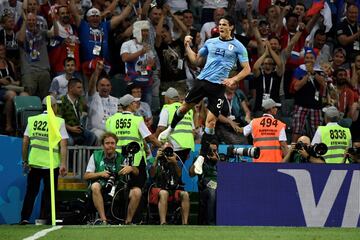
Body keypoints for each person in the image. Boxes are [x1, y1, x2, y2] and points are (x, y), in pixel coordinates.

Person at [158, 15, 251, 164]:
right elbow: (195, 60)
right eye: (220, 24)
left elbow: (247, 70)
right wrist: (187, 46)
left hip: (218, 87)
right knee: (183, 109)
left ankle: (201, 157)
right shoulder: (210, 42)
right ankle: (171, 128)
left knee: (211, 123)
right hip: (202, 82)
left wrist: (233, 79)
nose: (221, 27)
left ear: (231, 27)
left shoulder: (239, 46)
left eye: (224, 24)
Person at [20, 95, 68, 225]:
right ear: (53, 106)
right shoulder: (59, 122)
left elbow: (25, 142)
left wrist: (25, 160)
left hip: (34, 162)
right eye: (56, 105)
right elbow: (63, 145)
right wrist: (63, 163)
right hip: (51, 164)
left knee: (31, 192)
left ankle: (24, 218)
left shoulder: (32, 120)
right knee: (49, 193)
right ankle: (48, 218)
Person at [84, 132, 140, 224]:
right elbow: (86, 175)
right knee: (95, 186)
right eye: (107, 143)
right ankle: (103, 220)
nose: (110, 146)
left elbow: (137, 172)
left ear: (116, 144)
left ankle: (128, 221)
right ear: (102, 145)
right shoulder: (96, 155)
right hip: (101, 187)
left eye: (112, 143)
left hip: (118, 188)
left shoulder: (122, 157)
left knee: (137, 192)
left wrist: (131, 168)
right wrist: (100, 174)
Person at [149, 143, 190, 225]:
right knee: (164, 193)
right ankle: (163, 222)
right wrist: (156, 158)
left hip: (173, 188)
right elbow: (152, 174)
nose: (167, 153)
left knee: (185, 194)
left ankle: (185, 223)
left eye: (169, 150)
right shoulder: (154, 160)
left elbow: (179, 176)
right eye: (165, 150)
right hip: (158, 188)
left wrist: (175, 163)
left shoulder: (176, 161)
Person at [242, 98, 288, 162]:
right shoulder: (279, 124)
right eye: (275, 107)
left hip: (258, 163)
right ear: (270, 109)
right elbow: (283, 146)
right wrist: (289, 162)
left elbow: (243, 132)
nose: (276, 109)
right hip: (275, 163)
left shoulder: (254, 122)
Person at [155, 87, 195, 162]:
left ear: (167, 98)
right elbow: (193, 130)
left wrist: (154, 141)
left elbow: (161, 128)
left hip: (173, 145)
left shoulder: (167, 108)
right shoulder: (187, 109)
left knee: (168, 169)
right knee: (178, 170)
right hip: (187, 146)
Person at [189, 139, 220, 225]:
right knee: (212, 192)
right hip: (206, 185)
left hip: (220, 183)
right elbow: (191, 174)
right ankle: (211, 223)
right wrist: (200, 157)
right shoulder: (201, 159)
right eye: (210, 150)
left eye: (215, 150)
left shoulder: (220, 159)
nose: (213, 152)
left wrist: (218, 161)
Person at [87, 60, 118, 142]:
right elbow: (91, 87)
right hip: (97, 130)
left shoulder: (116, 101)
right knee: (101, 136)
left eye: (108, 85)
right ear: (97, 87)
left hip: (113, 131)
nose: (105, 88)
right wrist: (97, 71)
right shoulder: (93, 97)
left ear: (111, 87)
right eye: (102, 85)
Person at [59, 78, 96, 146]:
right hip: (66, 130)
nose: (81, 90)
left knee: (92, 136)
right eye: (79, 87)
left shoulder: (81, 100)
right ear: (70, 88)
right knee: (70, 141)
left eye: (82, 87)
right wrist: (70, 128)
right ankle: (71, 156)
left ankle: (82, 155)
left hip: (79, 129)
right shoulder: (62, 101)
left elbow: (87, 112)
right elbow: (58, 120)